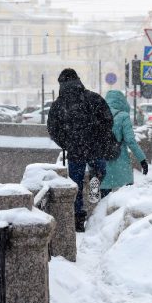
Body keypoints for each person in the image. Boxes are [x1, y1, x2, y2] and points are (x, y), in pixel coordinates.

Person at [47, 68, 113, 232]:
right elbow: (107, 120)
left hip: (75, 150)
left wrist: (66, 143)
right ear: (78, 80)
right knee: (99, 171)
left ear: (61, 84)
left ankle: (78, 217)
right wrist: (99, 138)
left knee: (74, 183)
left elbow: (52, 129)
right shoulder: (93, 97)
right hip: (95, 147)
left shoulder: (59, 104)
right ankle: (96, 187)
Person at [101, 90, 148, 198]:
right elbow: (130, 141)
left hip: (102, 161)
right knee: (125, 196)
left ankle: (101, 213)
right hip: (120, 161)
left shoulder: (98, 114)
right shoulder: (123, 116)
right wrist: (142, 160)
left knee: (103, 198)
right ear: (122, 101)